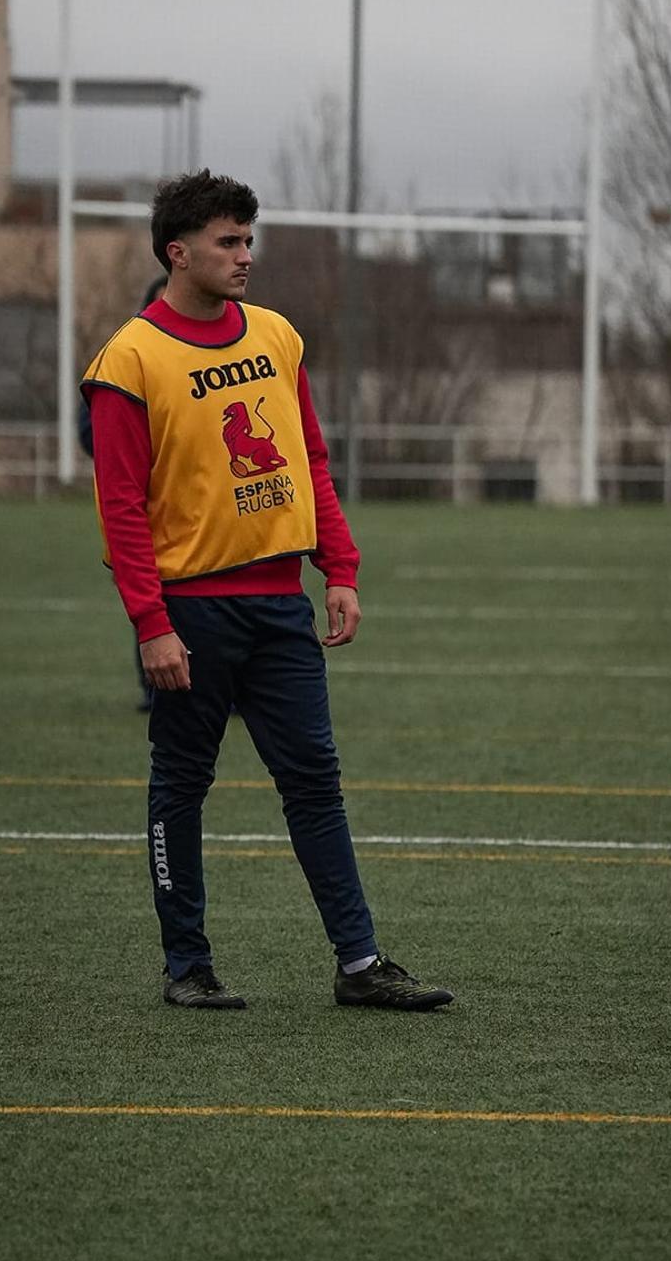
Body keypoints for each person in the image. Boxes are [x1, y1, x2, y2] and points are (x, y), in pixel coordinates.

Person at [82, 170, 453, 1011]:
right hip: (191, 615)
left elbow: (308, 461)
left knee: (315, 779)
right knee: (181, 786)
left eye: (249, 241)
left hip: (280, 605)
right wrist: (151, 624)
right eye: (228, 242)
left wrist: (341, 568)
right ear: (178, 253)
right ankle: (187, 967)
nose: (245, 256)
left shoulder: (278, 338)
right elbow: (120, 510)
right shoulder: (128, 361)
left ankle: (359, 965)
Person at [79, 275, 167, 712]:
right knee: (149, 596)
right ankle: (154, 686)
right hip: (145, 510)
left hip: (205, 516)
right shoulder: (123, 358)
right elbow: (88, 430)